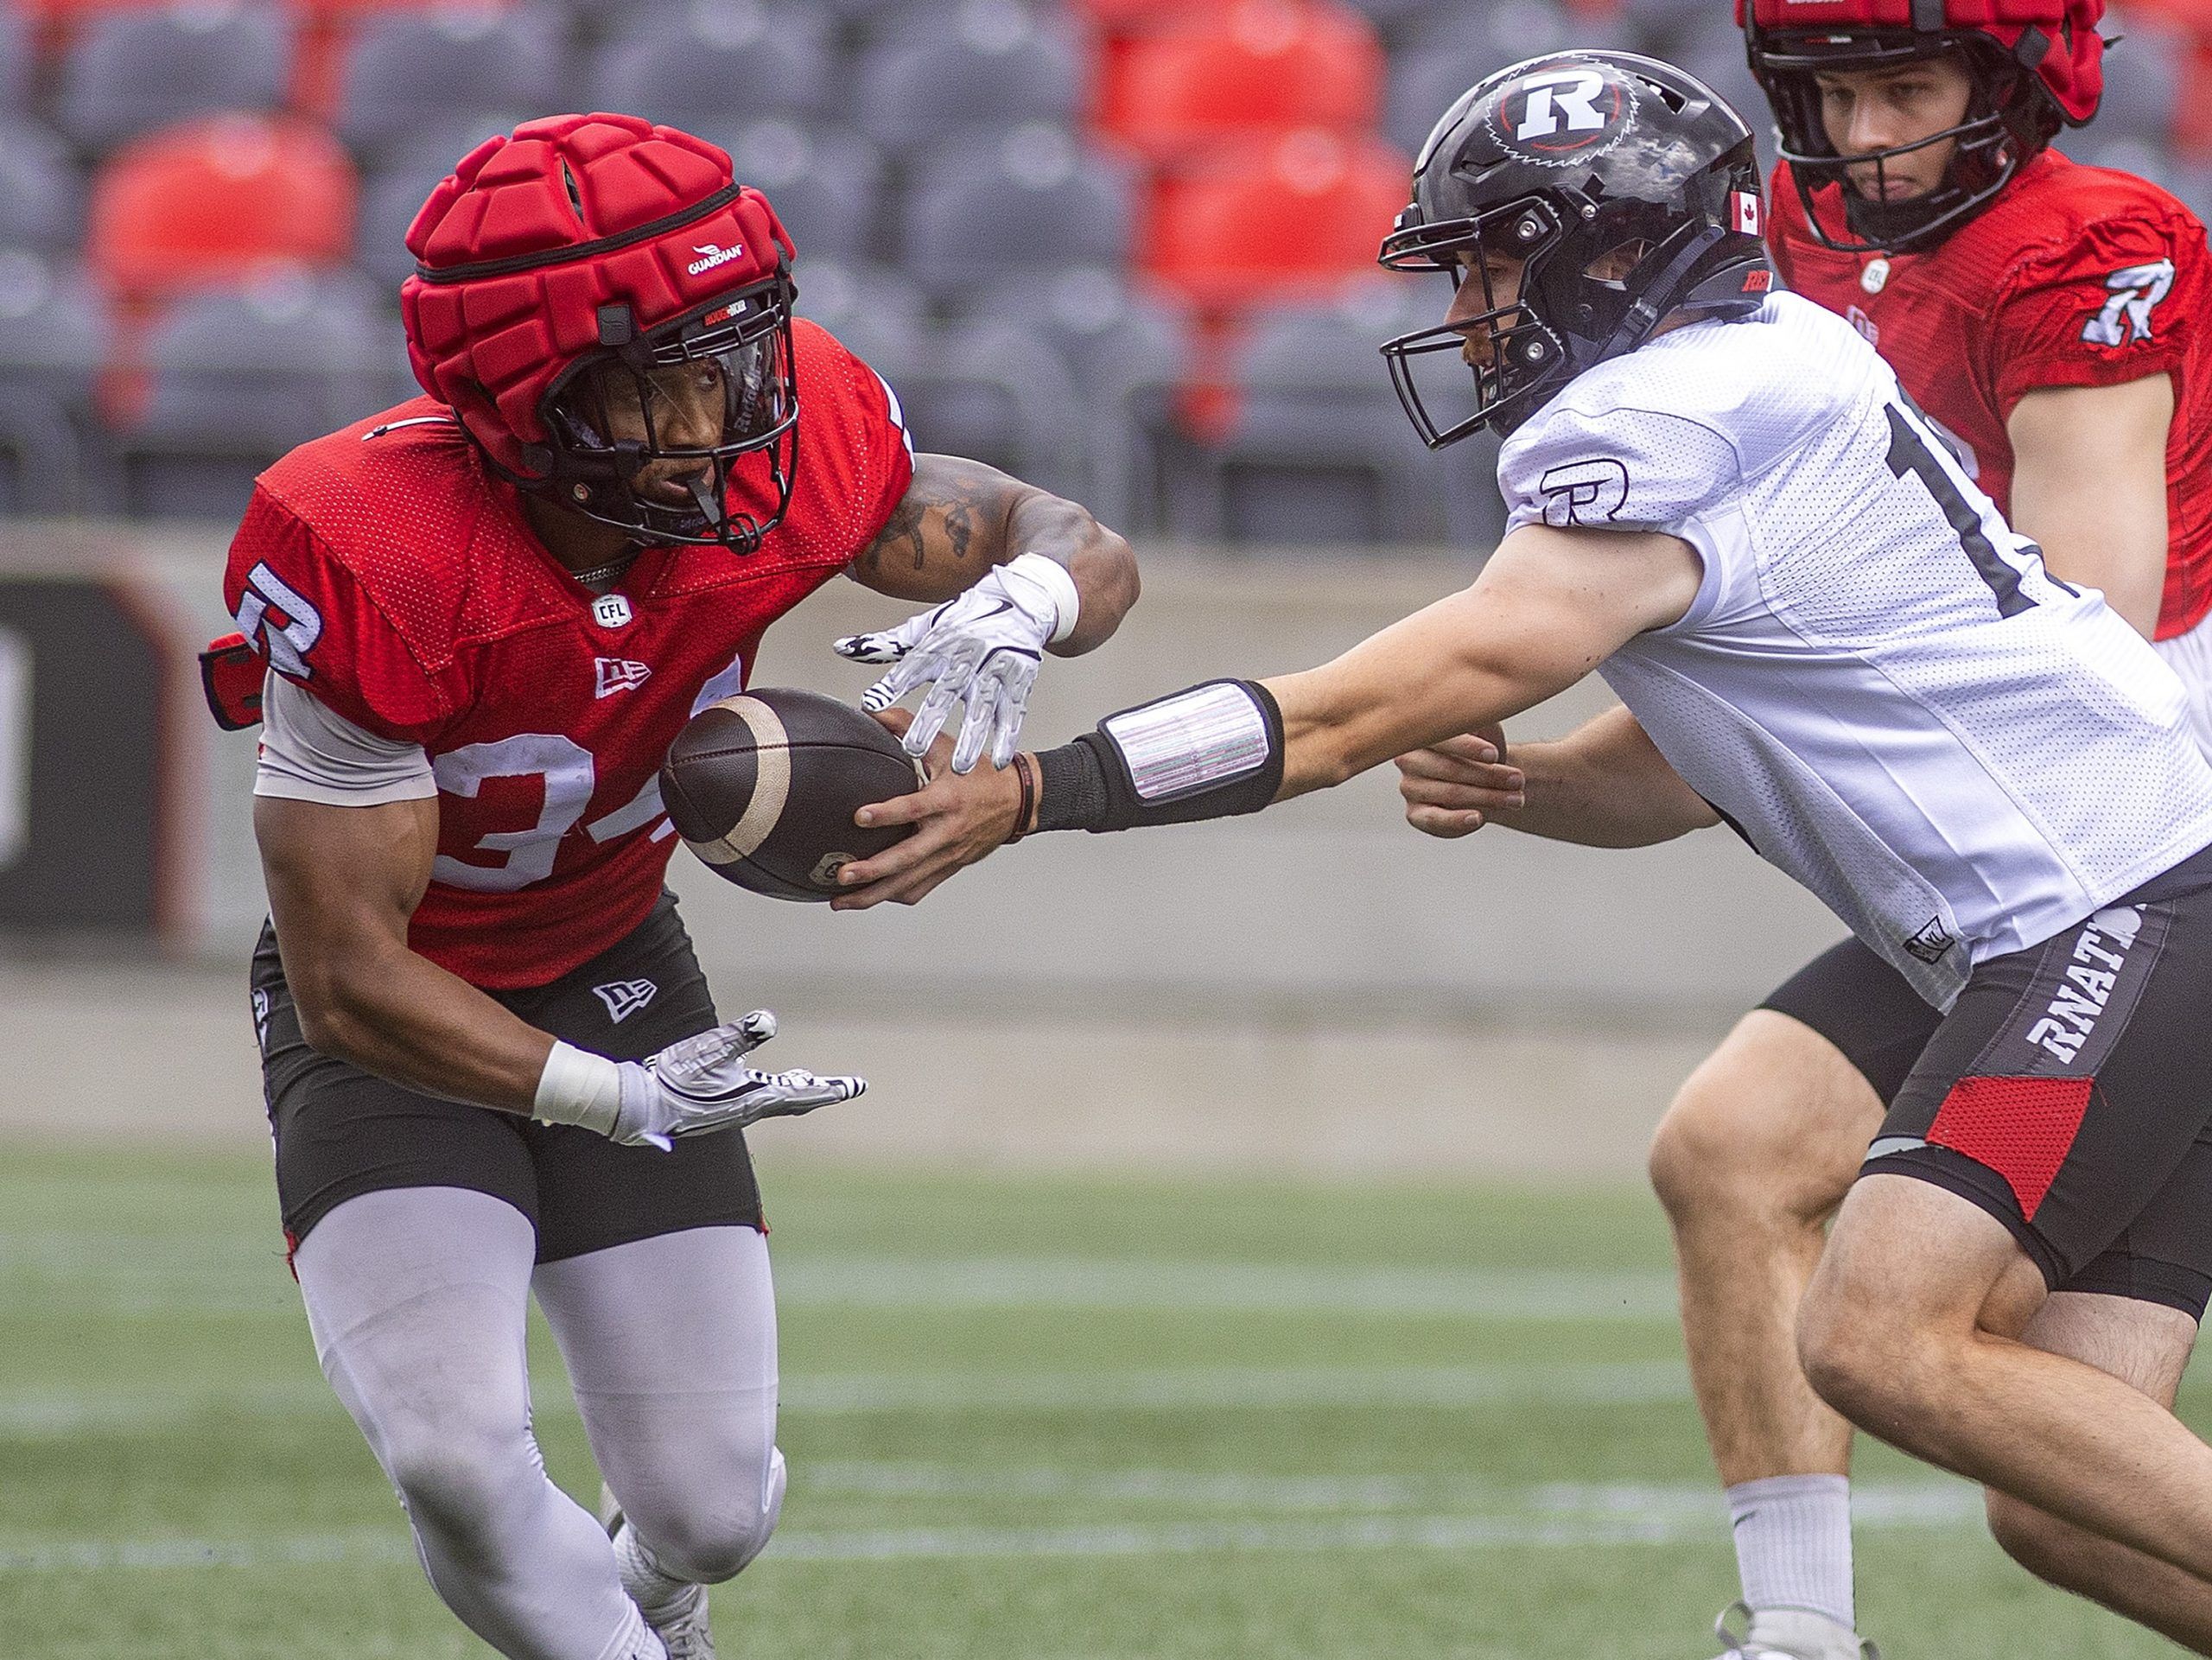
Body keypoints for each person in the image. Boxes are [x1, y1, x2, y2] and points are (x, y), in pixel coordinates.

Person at [824, 51, 2212, 1653]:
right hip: (2114, 899)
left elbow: (1346, 714)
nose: (1470, 305)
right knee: (2067, 1506)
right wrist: (1527, 787)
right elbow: (1691, 769)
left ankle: (1800, 1631)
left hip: (2113, 907)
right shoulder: (1774, 363)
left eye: (1490, 258)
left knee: (1884, 1334)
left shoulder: (1673, 417)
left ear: (1605, 248)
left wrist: (1043, 788)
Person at [213, 113, 1138, 1660]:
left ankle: (659, 1597)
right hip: (399, 1010)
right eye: (661, 379)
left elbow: (1072, 537)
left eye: (734, 355)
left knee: (713, 1507)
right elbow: (344, 974)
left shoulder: (792, 453)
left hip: (616, 958)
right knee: (452, 1451)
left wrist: (1028, 599)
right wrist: (603, 1098)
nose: (722, 414)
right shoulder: (367, 544)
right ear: (525, 402)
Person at [1390, 4, 2212, 1653]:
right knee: (2057, 1498)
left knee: (1872, 1297)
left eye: (1903, 85)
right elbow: (1768, 703)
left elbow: (2090, 613)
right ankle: (1802, 1631)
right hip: (2022, 866)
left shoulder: (2089, 243)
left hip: (2122, 843)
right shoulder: (1799, 278)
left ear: (2014, 78)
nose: (1864, 134)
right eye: (1830, 95)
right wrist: (1534, 777)